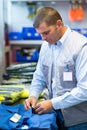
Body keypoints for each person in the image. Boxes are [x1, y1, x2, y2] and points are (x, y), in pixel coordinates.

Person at [24, 7, 87, 130]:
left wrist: (53, 103)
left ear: (59, 24)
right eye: (40, 34)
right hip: (54, 117)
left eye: (46, 33)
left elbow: (85, 90)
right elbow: (40, 76)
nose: (43, 38)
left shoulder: (81, 47)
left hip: (79, 121)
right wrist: (33, 95)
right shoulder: (46, 46)